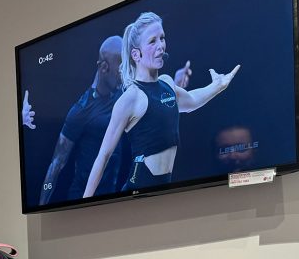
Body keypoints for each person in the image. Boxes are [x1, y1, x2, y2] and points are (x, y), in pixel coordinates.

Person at [82, 11, 240, 199]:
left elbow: (190, 101)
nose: (161, 46)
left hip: (165, 185)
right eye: (152, 41)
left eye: (162, 38)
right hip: (140, 186)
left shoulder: (166, 83)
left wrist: (218, 86)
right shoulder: (131, 98)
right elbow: (103, 156)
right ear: (136, 54)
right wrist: (85, 202)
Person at [32, 37, 194, 207]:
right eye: (121, 69)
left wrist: (174, 85)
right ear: (104, 67)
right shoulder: (81, 111)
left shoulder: (126, 95)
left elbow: (154, 112)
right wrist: (42, 207)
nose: (125, 75)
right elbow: (56, 164)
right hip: (82, 205)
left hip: (114, 201)